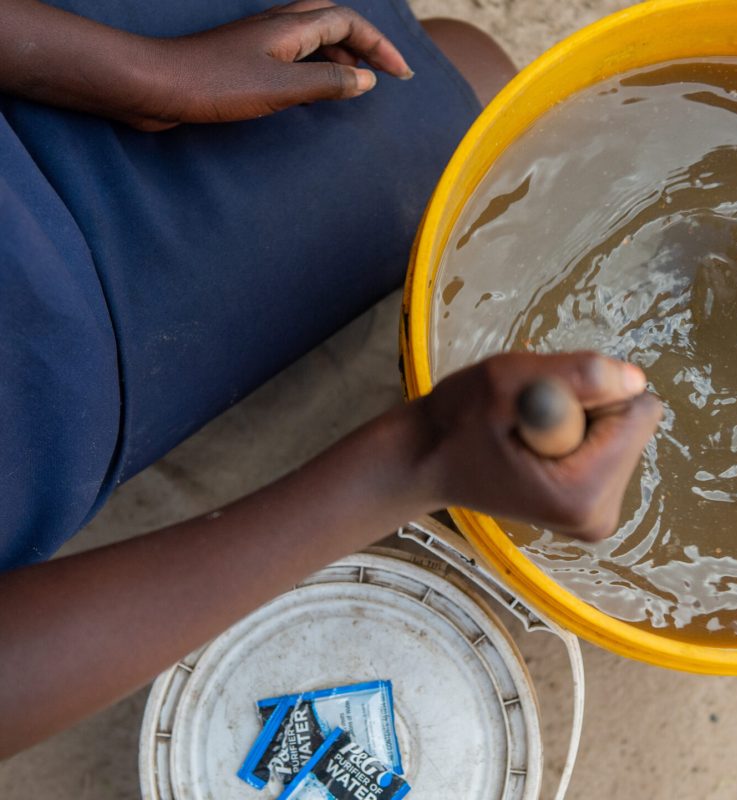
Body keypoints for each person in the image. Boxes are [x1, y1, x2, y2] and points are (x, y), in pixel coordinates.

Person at [0, 0, 662, 758]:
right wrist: (415, 456)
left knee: (426, 62)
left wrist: (140, 72)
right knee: (465, 75)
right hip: (69, 360)